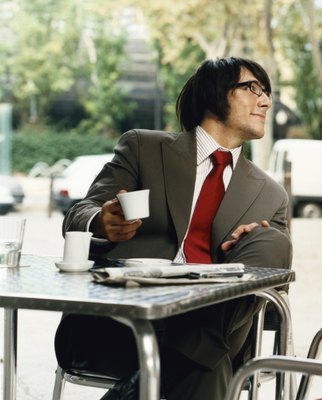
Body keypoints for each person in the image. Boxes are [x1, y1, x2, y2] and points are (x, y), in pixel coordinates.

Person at [54, 57, 292, 400]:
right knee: (209, 368)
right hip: (124, 325)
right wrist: (102, 222)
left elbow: (271, 303)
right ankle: (184, 362)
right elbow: (78, 214)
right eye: (252, 88)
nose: (266, 101)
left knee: (271, 240)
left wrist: (250, 253)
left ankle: (155, 377)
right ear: (214, 93)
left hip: (215, 326)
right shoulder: (144, 149)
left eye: (267, 92)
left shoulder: (270, 195)